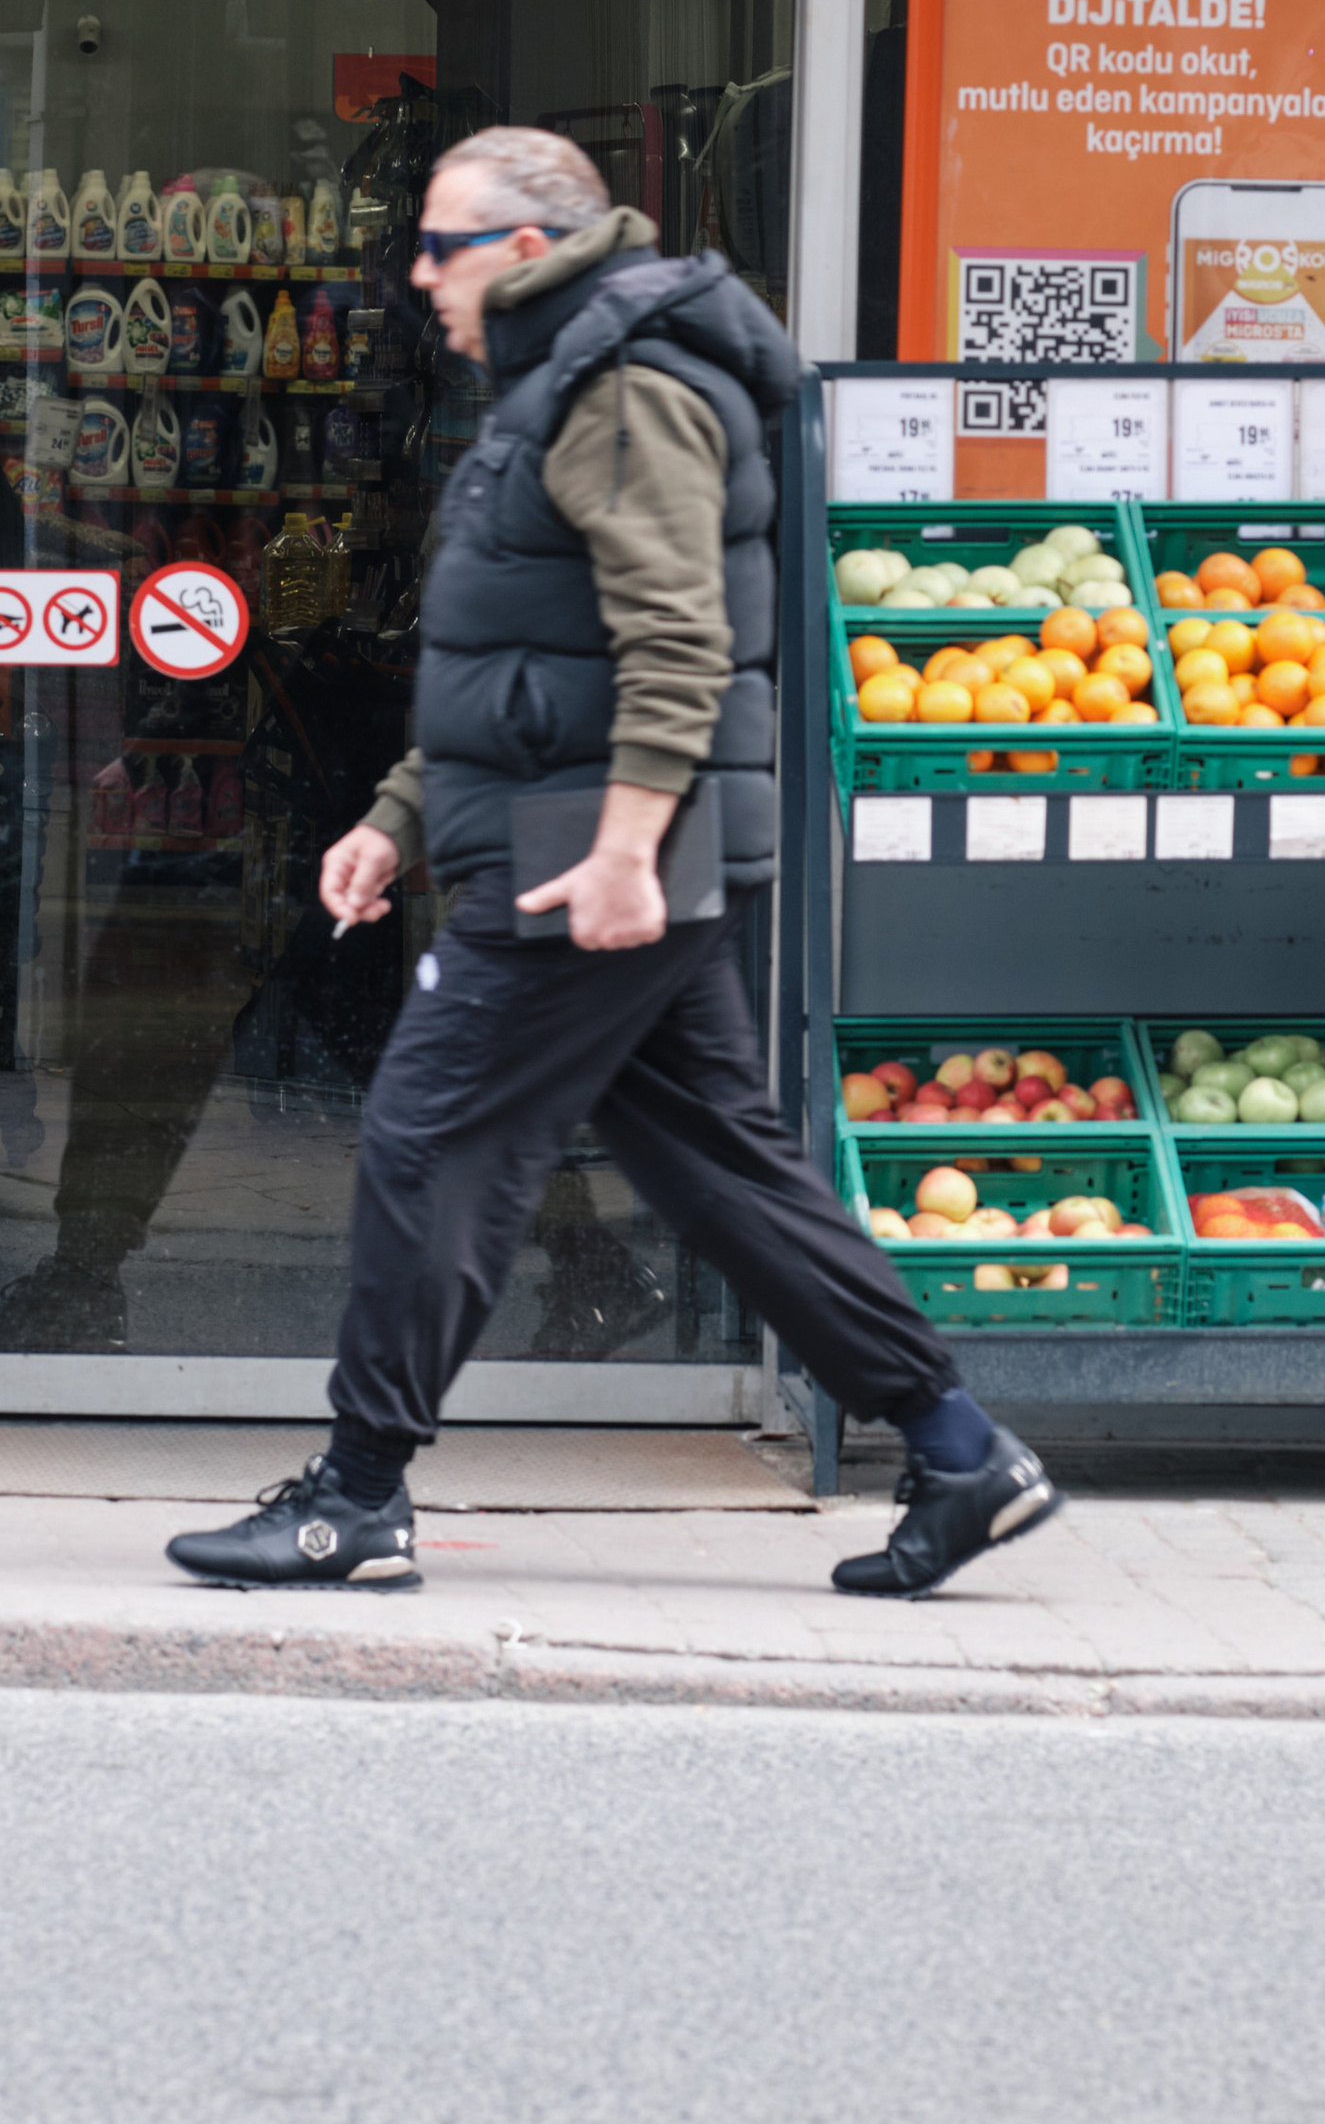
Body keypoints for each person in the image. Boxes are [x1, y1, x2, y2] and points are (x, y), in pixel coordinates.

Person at [166, 125, 1061, 1602]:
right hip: (586, 833)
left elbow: (676, 641)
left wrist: (628, 848)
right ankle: (962, 1453)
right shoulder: (565, 380)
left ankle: (356, 1498)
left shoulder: (626, 388)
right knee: (717, 1164)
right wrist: (397, 816)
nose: (418, 274)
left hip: (583, 850)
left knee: (430, 1138)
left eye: (440, 246)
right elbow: (527, 651)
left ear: (528, 249)